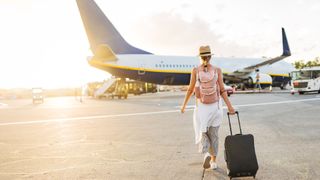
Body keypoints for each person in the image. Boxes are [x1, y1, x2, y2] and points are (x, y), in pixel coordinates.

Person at [181, 45, 235, 170]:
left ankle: (206, 153)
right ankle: (214, 161)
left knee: (203, 132)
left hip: (202, 108)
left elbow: (190, 89)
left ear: (200, 57)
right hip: (216, 107)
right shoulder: (217, 70)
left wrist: (184, 106)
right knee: (214, 134)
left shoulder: (195, 71)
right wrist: (230, 107)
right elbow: (222, 90)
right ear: (210, 57)